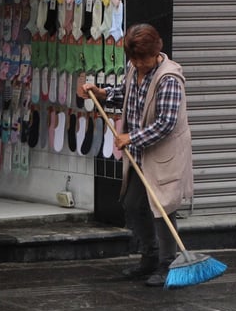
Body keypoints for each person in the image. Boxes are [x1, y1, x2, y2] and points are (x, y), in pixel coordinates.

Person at [79, 23, 193, 287]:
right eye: (134, 59)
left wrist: (131, 137)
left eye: (143, 59)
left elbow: (166, 123)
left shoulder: (169, 79)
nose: (139, 64)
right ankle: (149, 257)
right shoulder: (134, 70)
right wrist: (103, 94)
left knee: (162, 208)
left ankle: (167, 264)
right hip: (141, 155)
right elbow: (127, 95)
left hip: (163, 155)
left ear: (157, 50)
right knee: (133, 204)